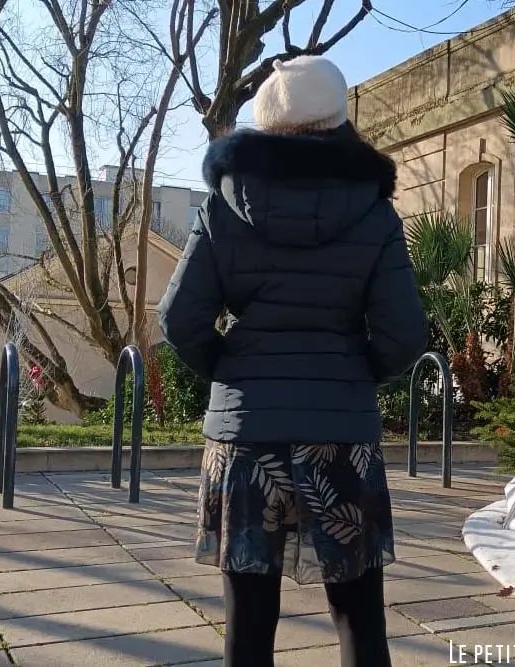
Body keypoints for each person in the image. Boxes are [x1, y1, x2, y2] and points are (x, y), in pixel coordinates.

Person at [157, 55, 428, 667]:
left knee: (248, 624)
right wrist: (355, 374)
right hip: (341, 435)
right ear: (336, 118)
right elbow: (405, 333)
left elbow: (179, 321)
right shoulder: (375, 210)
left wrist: (232, 370)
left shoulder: (223, 204)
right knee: (360, 617)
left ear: (267, 120)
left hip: (244, 436)